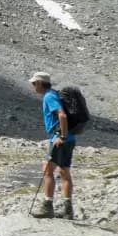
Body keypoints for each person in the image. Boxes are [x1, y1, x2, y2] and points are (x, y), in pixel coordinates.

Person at [29, 71, 74, 218]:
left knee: (47, 169)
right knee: (64, 171)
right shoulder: (54, 94)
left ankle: (47, 207)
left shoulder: (49, 96)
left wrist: (62, 136)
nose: (33, 86)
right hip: (70, 138)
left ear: (40, 83)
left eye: (34, 83)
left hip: (59, 138)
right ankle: (68, 209)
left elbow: (62, 115)